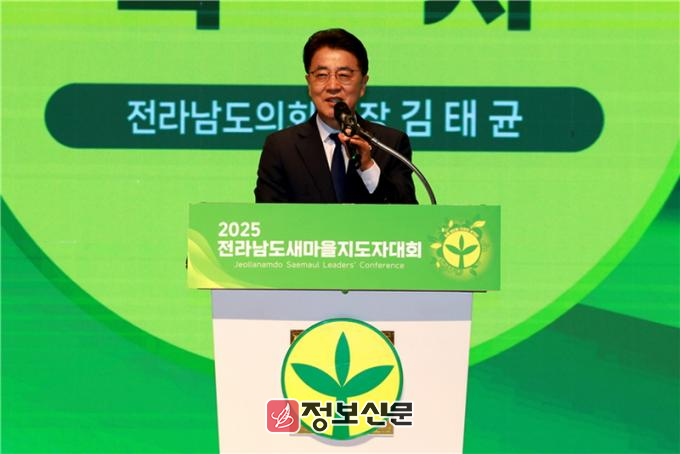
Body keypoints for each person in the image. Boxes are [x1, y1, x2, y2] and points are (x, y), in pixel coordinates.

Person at [254, 28, 417, 204]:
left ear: (363, 84)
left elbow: (406, 213)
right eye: (322, 75)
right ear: (309, 83)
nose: (333, 86)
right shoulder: (281, 147)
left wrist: (367, 167)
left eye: (344, 75)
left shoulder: (390, 144)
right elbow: (268, 215)